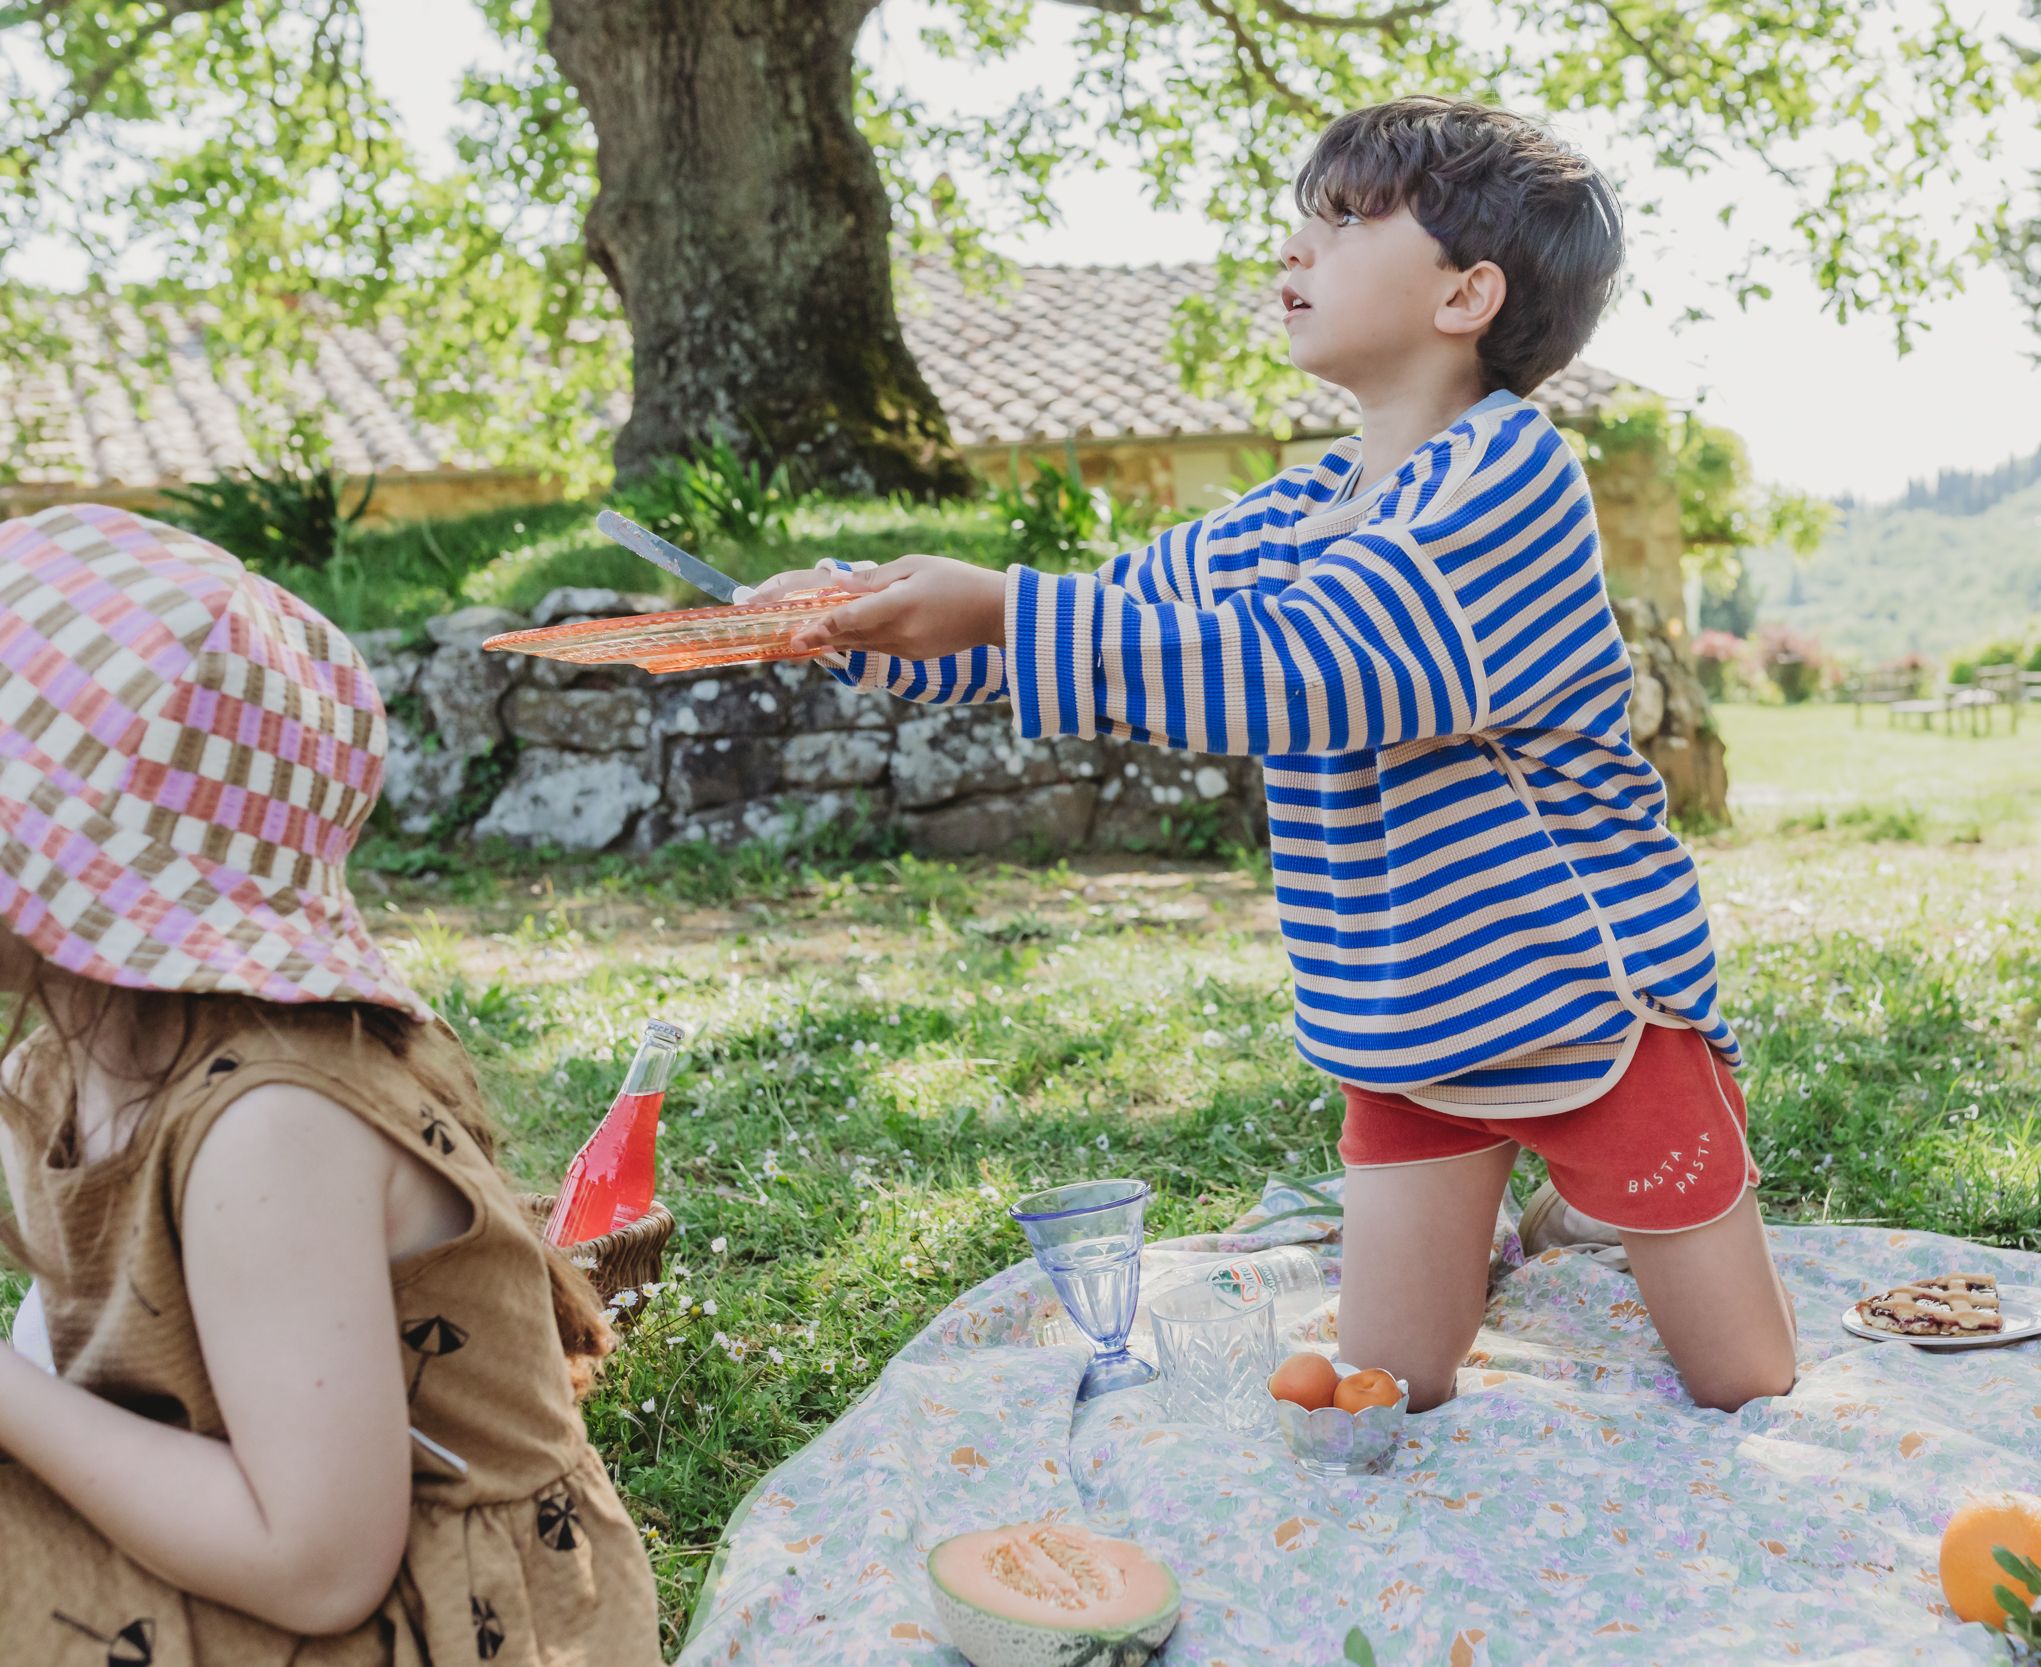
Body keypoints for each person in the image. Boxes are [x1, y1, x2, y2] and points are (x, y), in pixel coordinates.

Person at [743, 96, 1797, 1414]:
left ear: (1470, 293)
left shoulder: (1509, 477)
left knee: (1747, 1389)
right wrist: (859, 613)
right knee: (1389, 1383)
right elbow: (1126, 619)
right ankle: (1536, 1224)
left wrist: (1010, 603)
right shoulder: (1301, 505)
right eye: (1303, 217)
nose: (1296, 249)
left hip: (1589, 1005)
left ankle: (1587, 1204)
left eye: (1347, 219)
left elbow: (1317, 669)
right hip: (1409, 1018)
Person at [0, 504, 662, 1664]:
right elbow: (103, 1343)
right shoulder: (63, 1059)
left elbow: (318, 1562)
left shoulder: (273, 1126)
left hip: (444, 1616)